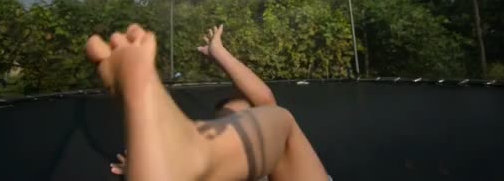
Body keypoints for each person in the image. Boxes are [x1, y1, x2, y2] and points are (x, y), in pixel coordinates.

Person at [86, 23, 330, 180]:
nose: (238, 120)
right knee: (282, 120)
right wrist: (149, 155)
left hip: (201, 163)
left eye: (242, 117)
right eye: (230, 119)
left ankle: (191, 150)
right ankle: (190, 150)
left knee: (277, 118)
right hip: (203, 166)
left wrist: (218, 51)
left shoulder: (263, 147)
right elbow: (266, 107)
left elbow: (265, 101)